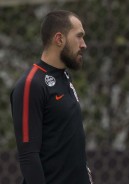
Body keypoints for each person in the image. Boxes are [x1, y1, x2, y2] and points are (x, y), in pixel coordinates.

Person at [10, 10, 93, 184]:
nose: (84, 44)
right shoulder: (31, 84)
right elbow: (28, 156)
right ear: (59, 39)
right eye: (79, 36)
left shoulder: (64, 77)